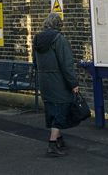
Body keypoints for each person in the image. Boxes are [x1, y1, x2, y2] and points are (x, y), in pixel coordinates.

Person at [33, 13, 79, 157]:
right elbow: (66, 64)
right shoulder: (59, 39)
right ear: (59, 24)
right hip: (58, 80)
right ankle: (52, 145)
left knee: (52, 109)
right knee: (62, 109)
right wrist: (73, 83)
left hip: (43, 80)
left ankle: (59, 139)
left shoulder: (37, 39)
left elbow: (35, 62)